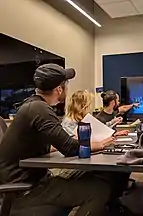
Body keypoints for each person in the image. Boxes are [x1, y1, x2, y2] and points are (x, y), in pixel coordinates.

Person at [0, 63, 111, 216]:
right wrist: (102, 144)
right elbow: (70, 148)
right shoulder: (40, 109)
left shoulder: (31, 106)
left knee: (87, 175)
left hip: (26, 182)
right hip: (26, 189)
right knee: (99, 189)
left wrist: (73, 141)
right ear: (59, 89)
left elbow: (45, 146)